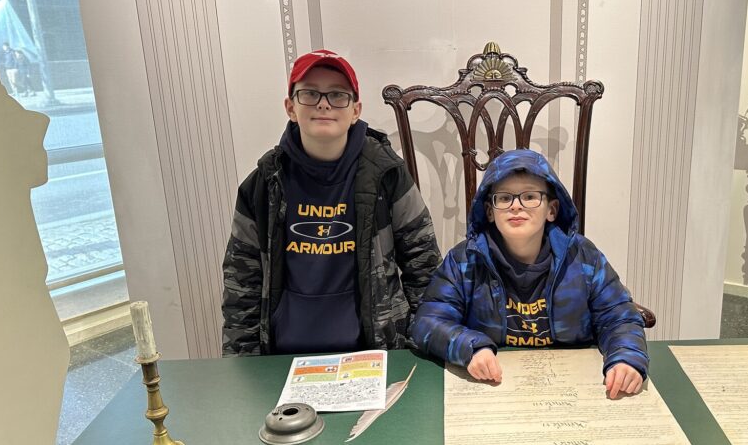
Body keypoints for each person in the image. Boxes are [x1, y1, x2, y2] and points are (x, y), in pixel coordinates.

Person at [222, 49, 441, 356]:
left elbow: (425, 268)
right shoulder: (261, 185)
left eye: (338, 95)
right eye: (310, 93)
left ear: (355, 110)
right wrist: (242, 365)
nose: (324, 103)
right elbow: (241, 286)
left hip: (374, 357)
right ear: (290, 107)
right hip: (284, 361)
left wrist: (420, 348)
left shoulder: (388, 175)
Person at [409, 149, 648, 399]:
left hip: (572, 388)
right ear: (489, 211)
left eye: (530, 196)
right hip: (492, 388)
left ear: (552, 210)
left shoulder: (583, 258)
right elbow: (427, 321)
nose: (516, 206)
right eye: (504, 198)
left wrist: (626, 358)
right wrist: (470, 348)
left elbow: (619, 316)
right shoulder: (464, 260)